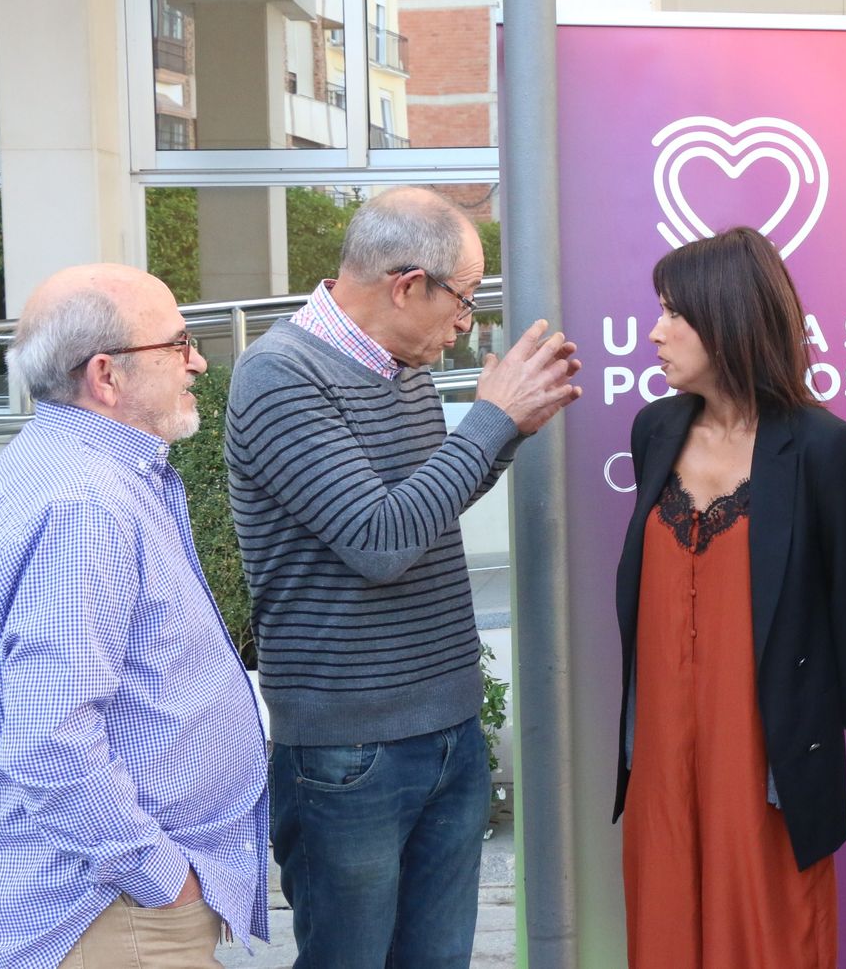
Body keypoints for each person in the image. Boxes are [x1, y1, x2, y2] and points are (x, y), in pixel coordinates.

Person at [225, 187, 580, 968]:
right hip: (349, 747)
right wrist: (489, 421)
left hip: (446, 727)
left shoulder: (402, 366)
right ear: (407, 284)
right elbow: (379, 540)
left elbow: (420, 513)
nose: (467, 319)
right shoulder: (279, 375)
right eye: (464, 296)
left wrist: (507, 433)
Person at [0, 264, 269, 968]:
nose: (199, 362)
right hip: (111, 911)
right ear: (107, 376)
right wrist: (164, 880)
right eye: (179, 344)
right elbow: (51, 739)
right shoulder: (84, 503)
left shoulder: (74, 467)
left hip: (113, 904)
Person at [612, 227, 846, 969]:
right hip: (662, 761)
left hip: (764, 765)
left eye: (675, 313)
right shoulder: (655, 431)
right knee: (664, 938)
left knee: (770, 941)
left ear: (728, 318)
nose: (655, 331)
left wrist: (803, 730)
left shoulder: (823, 447)